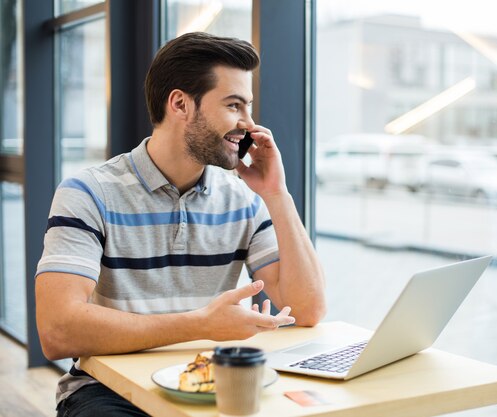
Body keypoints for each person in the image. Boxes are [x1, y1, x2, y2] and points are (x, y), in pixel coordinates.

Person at [35, 32, 326, 417]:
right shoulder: (88, 193)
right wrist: (202, 325)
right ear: (180, 104)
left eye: (249, 107)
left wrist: (277, 195)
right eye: (234, 105)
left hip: (208, 381)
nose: (249, 124)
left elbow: (306, 310)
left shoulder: (243, 199)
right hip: (109, 391)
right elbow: (57, 331)